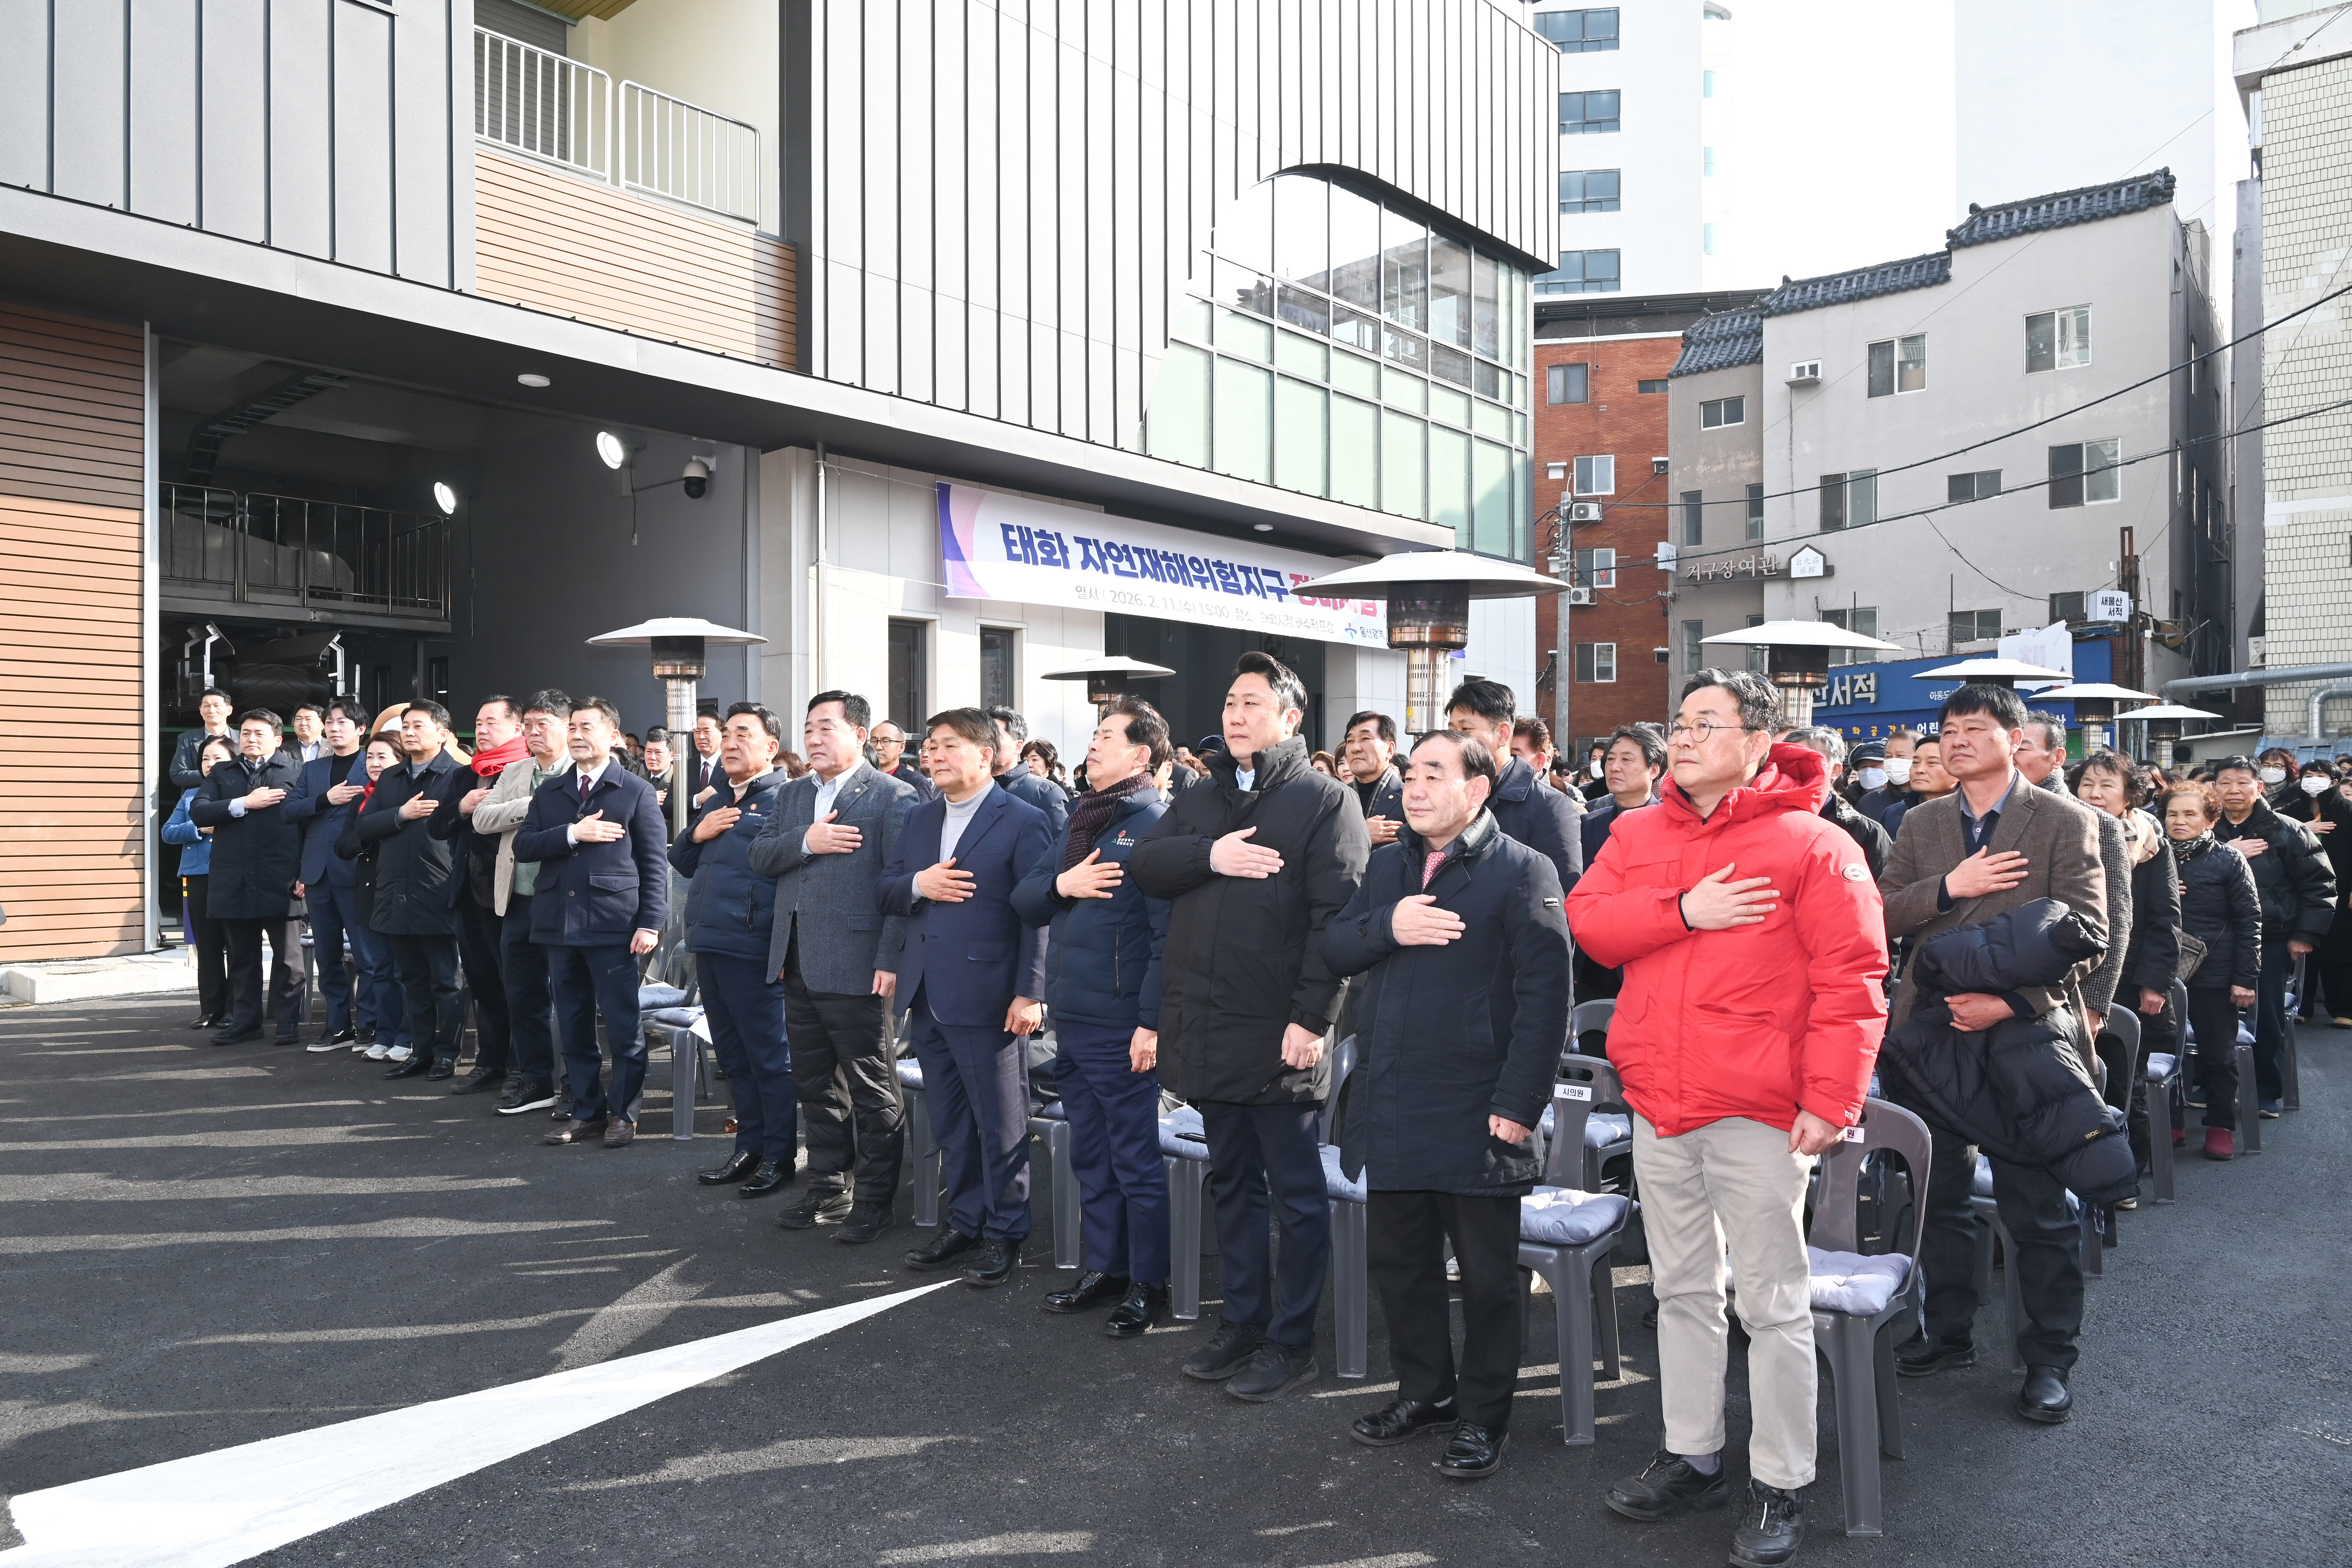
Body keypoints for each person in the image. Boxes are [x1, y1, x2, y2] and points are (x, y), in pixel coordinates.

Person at [1569, 669, 1885, 1566]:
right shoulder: (1632, 828)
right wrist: (1682, 910)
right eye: (1680, 720)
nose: (1685, 734)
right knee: (1678, 1288)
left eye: (1708, 721)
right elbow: (1590, 925)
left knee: (1771, 1300)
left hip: (1759, 1108)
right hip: (1659, 1098)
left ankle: (1779, 1476)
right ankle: (1691, 1449)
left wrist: (1831, 1098)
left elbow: (1853, 979)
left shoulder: (1812, 843)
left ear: (1757, 741)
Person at [1324, 729, 1570, 1480]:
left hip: (1478, 1104)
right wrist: (1386, 925)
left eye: (1435, 773)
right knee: (1402, 1264)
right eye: (1411, 774)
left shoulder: (1522, 871)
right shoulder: (1390, 864)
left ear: (1477, 789)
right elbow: (1335, 949)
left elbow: (1546, 1000)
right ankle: (1425, 1393)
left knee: (1490, 1277)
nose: (1414, 788)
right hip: (1393, 1093)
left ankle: (1484, 1416)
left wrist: (1520, 1102)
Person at [1130, 651, 1369, 1401]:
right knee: (1231, 1181)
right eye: (1231, 703)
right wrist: (1214, 854)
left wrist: (1313, 1019)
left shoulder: (1324, 800)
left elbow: (1340, 920)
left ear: (1291, 718)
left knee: (1295, 1194)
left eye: (1253, 704)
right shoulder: (1205, 796)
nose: (1236, 715)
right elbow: (1150, 864)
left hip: (1280, 1032)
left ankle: (1290, 1338)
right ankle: (1242, 1318)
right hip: (1208, 1027)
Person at [1880, 682, 2107, 1424]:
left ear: (2017, 738)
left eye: (1975, 727)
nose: (1957, 740)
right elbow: (1880, 912)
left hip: (2026, 1035)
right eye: (1948, 729)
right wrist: (1951, 886)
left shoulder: (2065, 821)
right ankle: (1948, 1332)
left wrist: (2010, 1002)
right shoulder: (1921, 821)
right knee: (1937, 1195)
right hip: (1932, 1032)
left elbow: (2091, 933)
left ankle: (2048, 1358)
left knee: (2036, 1205)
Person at [1012, 697, 1176, 1336]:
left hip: (1121, 1018)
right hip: (1073, 1016)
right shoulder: (1081, 819)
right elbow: (1025, 899)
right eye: (1094, 734)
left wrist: (1152, 1021)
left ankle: (1148, 1281)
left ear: (1142, 754)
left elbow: (1167, 938)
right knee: (1092, 1153)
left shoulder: (1156, 823)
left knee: (1134, 1154)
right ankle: (1106, 1266)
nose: (1093, 744)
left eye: (1107, 736)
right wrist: (1064, 885)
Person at [880, 707, 1053, 1285]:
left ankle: (1007, 1232)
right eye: (930, 745)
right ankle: (965, 1219)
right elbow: (888, 888)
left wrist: (1030, 990)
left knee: (1000, 1122)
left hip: (990, 994)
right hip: (927, 990)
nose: (934, 754)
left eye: (949, 744)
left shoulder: (1022, 818)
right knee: (952, 1119)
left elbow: (1038, 913)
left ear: (987, 753)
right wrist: (916, 884)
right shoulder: (922, 816)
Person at [751, 690, 920, 1242]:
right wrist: (809, 840)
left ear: (860, 734)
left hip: (858, 964)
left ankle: (875, 1199)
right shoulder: (795, 793)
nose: (815, 739)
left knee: (873, 1086)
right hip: (796, 959)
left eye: (826, 728)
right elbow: (761, 855)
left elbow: (901, 891)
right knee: (816, 1083)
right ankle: (828, 1186)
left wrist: (890, 957)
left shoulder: (893, 796)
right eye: (809, 729)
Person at [513, 697, 669, 1148]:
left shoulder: (635, 791)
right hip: (558, 922)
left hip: (614, 924)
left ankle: (624, 1112)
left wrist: (651, 923)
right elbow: (524, 846)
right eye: (574, 728)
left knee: (623, 1025)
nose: (579, 736)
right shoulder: (552, 791)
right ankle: (586, 1111)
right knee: (574, 1023)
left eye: (588, 728)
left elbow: (654, 864)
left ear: (613, 736)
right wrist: (571, 834)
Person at [672, 703, 798, 1197]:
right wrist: (698, 831)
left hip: (755, 948)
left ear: (771, 747)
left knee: (769, 1057)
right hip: (710, 944)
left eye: (743, 734)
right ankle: (749, 1144)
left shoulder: (786, 798)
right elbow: (683, 860)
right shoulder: (718, 797)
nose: (729, 743)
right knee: (734, 1055)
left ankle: (780, 1155)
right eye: (726, 734)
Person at [2068, 751, 2180, 1179]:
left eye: (2106, 786)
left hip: (2129, 978)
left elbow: (2164, 920)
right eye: (2087, 785)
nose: (2095, 794)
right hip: (2076, 974)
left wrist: (2155, 982)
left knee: (2121, 1080)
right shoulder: (2067, 830)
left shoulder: (2151, 846)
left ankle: (2128, 1169)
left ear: (2129, 795)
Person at [2209, 755, 2335, 1118]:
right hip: (2212, 938)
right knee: (2210, 1016)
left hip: (2273, 938)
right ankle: (2212, 1083)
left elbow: (2319, 886)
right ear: (2214, 789)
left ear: (2259, 787)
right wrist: (2226, 854)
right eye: (2225, 783)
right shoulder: (2203, 829)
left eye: (2243, 783)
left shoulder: (2288, 830)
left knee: (2264, 1017)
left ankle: (2265, 1089)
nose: (2234, 790)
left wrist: (2305, 935)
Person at [347, 702, 468, 1079]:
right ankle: (420, 1051)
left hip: (439, 888)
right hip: (394, 890)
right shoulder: (391, 777)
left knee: (447, 981)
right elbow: (364, 828)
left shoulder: (459, 776)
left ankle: (448, 1053)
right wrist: (402, 814)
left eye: (419, 726)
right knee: (411, 979)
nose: (409, 733)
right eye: (406, 727)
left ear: (444, 733)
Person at [471, 690, 574, 1116]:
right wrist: (536, 805)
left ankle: (575, 1084)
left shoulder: (581, 773)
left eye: (543, 724)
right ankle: (535, 1080)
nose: (533, 732)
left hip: (564, 902)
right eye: (528, 724)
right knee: (523, 996)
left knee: (571, 999)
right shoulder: (515, 771)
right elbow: (481, 819)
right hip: (515, 900)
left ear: (568, 727)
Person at [189, 709, 310, 1047]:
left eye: (258, 733)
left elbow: (309, 824)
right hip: (234, 879)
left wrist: (306, 872)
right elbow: (199, 811)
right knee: (242, 958)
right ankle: (246, 1022)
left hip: (282, 878)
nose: (251, 739)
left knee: (289, 959)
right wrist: (244, 803)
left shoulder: (297, 771)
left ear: (277, 738)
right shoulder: (223, 773)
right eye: (245, 733)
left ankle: (287, 1022)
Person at [428, 697, 528, 1095]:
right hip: (468, 892)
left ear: (517, 728)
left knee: (517, 984)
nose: (482, 730)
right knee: (482, 982)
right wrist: (462, 807)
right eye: (478, 722)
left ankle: (522, 1065)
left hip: (507, 893)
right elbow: (437, 826)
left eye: (492, 722)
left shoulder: (526, 771)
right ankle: (490, 1061)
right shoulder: (466, 774)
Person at [2162, 781, 2262, 1158]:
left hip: (2215, 970)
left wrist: (2244, 978)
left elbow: (2250, 921)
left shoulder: (2228, 860)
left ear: (2210, 820)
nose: (2179, 821)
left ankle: (2220, 1124)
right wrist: (2163, 888)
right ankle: (2169, 1121)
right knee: (2161, 1050)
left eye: (2190, 814)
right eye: (2173, 813)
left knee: (2217, 1053)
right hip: (2162, 969)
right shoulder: (2152, 857)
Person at [2017, 713, 2132, 1021]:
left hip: (2066, 993)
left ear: (2058, 757)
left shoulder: (2095, 822)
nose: (2013, 755)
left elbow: (2114, 922)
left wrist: (2094, 1005)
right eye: (2008, 745)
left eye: (2023, 747)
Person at [1444, 679, 1583, 896]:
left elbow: (1561, 892)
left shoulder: (1550, 806)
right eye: (1452, 730)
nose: (1455, 740)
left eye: (1466, 729)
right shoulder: (1446, 794)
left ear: (1503, 734)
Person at [285, 699, 370, 1051]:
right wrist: (325, 799)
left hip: (357, 870)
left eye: (343, 722)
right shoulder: (315, 769)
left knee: (368, 955)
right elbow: (290, 811)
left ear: (360, 729)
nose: (335, 728)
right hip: (317, 872)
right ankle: (337, 1026)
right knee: (327, 955)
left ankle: (370, 1026)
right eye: (330, 722)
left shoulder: (375, 763)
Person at [1575, 724, 1668, 1005]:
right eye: (1611, 759)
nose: (1615, 767)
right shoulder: (1588, 824)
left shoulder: (1671, 826)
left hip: (1648, 962)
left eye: (1627, 760)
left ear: (1654, 770)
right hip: (1591, 966)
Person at [337, 736, 412, 1062]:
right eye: (370, 758)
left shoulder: (410, 796)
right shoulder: (361, 800)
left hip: (401, 892)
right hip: (368, 891)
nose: (375, 764)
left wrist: (374, 830)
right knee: (379, 968)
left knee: (405, 971)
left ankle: (407, 1037)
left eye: (383, 757)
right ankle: (384, 1035)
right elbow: (344, 845)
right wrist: (370, 836)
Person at [165, 735, 237, 1029]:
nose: (210, 765)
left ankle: (235, 1009)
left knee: (236, 946)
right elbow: (168, 833)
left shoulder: (244, 792)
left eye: (218, 758)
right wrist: (197, 827)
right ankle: (210, 1009)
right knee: (206, 946)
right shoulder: (190, 795)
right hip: (197, 876)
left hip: (232, 875)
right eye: (206, 759)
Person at [2279, 758, 2352, 1026]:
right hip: (2298, 891)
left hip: (2341, 890)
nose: (2313, 779)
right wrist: (2303, 829)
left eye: (2320, 775)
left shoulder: (2348, 811)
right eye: (2309, 774)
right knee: (2301, 950)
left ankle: (2343, 1009)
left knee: (2340, 950)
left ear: (2334, 782)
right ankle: (2301, 1005)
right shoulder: (2291, 813)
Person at [1782, 727, 1892, 882]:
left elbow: (1881, 893)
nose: (1797, 768)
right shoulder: (1759, 819)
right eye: (1790, 760)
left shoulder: (1865, 831)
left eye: (1810, 760)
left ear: (1835, 771)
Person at [986, 705, 1071, 835]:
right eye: (983, 738)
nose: (987, 744)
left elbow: (1060, 847)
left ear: (1018, 746)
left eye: (994, 738)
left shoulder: (1046, 793)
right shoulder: (967, 790)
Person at [1340, 709, 1404, 848]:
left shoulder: (1408, 798)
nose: (1355, 748)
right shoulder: (1337, 797)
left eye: (1365, 739)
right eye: (1350, 741)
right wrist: (1361, 834)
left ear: (1390, 750)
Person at [1880, 734, 1954, 840]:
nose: (1919, 770)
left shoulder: (1973, 813)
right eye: (1915, 763)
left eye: (1932, 763)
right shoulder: (1892, 814)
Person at [170, 688, 237, 791]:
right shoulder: (186, 739)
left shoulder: (242, 738)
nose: (211, 711)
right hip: (198, 798)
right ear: (201, 710)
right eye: (207, 706)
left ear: (229, 710)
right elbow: (177, 774)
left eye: (217, 706)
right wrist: (214, 774)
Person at [1854, 728, 1919, 828]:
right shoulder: (1868, 803)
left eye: (1900, 756)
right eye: (1888, 757)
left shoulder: (1934, 797)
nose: (1893, 761)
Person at [871, 718, 937, 800]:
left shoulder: (917, 782)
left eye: (886, 741)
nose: (878, 747)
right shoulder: (863, 780)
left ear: (901, 747)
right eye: (874, 741)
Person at [689, 708, 727, 802]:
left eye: (707, 732)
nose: (701, 737)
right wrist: (697, 799)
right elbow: (669, 805)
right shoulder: (687, 766)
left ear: (722, 734)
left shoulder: (730, 764)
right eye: (697, 732)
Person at [1510, 716, 1557, 788]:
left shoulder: (1558, 798)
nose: (1506, 761)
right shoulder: (1491, 793)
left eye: (1514, 756)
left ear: (1540, 761)